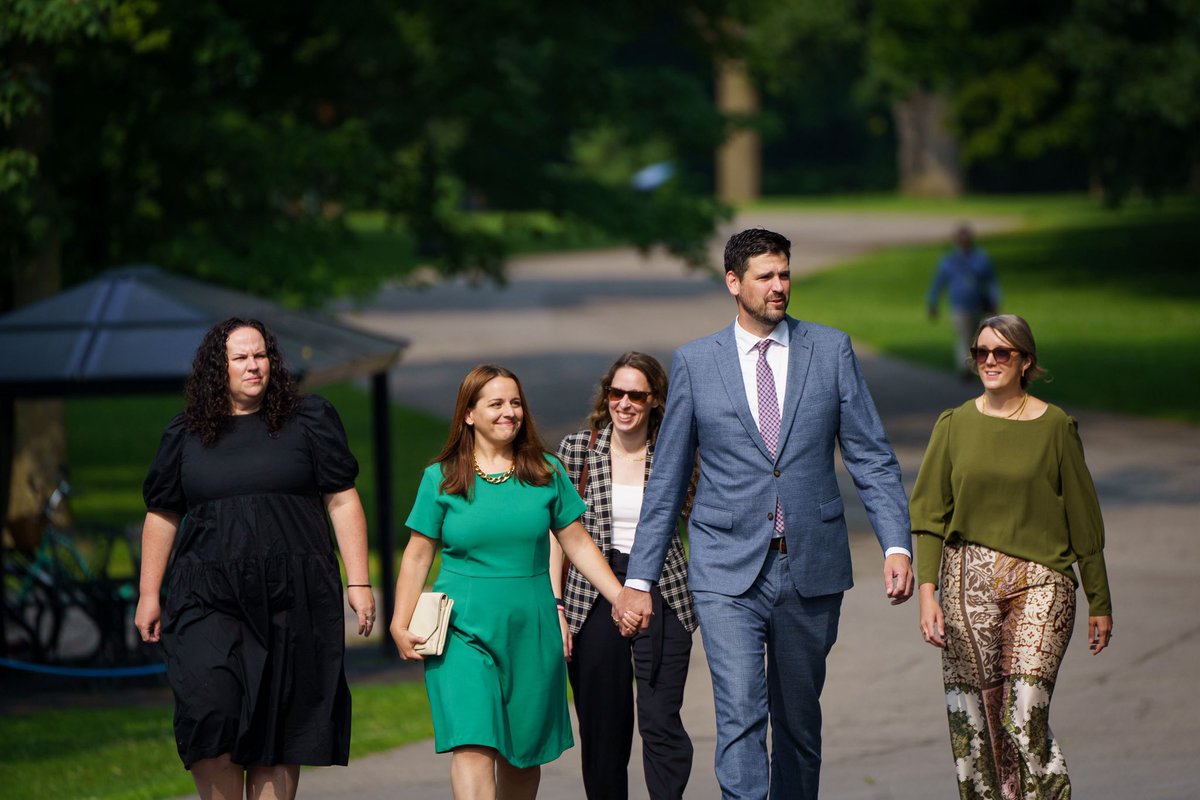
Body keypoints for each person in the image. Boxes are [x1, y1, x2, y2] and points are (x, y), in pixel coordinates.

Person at [614, 228, 914, 800]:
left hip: (811, 566)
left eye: (785, 274)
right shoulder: (698, 363)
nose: (779, 287)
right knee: (741, 717)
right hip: (726, 570)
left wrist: (895, 544)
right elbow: (669, 478)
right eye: (765, 277)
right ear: (733, 283)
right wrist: (638, 580)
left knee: (798, 723)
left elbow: (871, 455)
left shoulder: (831, 350)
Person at [136, 317, 374, 800]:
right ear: (215, 368)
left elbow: (342, 499)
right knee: (210, 713)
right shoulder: (186, 434)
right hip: (206, 595)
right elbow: (162, 514)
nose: (253, 365)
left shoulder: (308, 420)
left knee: (278, 728)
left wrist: (360, 581)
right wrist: (147, 593)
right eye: (240, 357)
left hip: (295, 594)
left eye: (261, 355)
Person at [390, 364, 631, 800]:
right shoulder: (441, 478)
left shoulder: (546, 471)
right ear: (469, 414)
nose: (509, 412)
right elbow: (419, 552)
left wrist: (620, 596)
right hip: (462, 629)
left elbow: (576, 544)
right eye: (496, 403)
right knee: (473, 743)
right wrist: (399, 620)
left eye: (515, 402)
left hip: (530, 630)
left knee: (523, 757)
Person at [910, 314, 1113, 799]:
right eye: (982, 352)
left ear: (1026, 361)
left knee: (1024, 713)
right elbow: (929, 515)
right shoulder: (954, 425)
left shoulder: (1056, 427)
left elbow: (1084, 519)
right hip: (967, 579)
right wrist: (927, 593)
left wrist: (1100, 599)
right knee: (978, 722)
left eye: (1002, 353)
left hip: (1043, 578)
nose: (990, 361)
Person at [552, 352, 697, 800]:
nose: (625, 403)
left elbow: (705, 521)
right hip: (591, 592)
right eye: (617, 392)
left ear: (655, 400)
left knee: (660, 721)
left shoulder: (676, 451)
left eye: (637, 394)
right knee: (603, 727)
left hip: (662, 586)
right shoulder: (577, 450)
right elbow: (558, 534)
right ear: (606, 395)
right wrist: (555, 605)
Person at [927, 224, 1000, 379]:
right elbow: (938, 283)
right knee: (963, 337)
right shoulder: (949, 261)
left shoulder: (981, 259)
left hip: (979, 306)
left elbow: (992, 281)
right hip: (959, 307)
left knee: (978, 338)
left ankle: (974, 366)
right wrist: (932, 303)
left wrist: (994, 301)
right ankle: (965, 368)